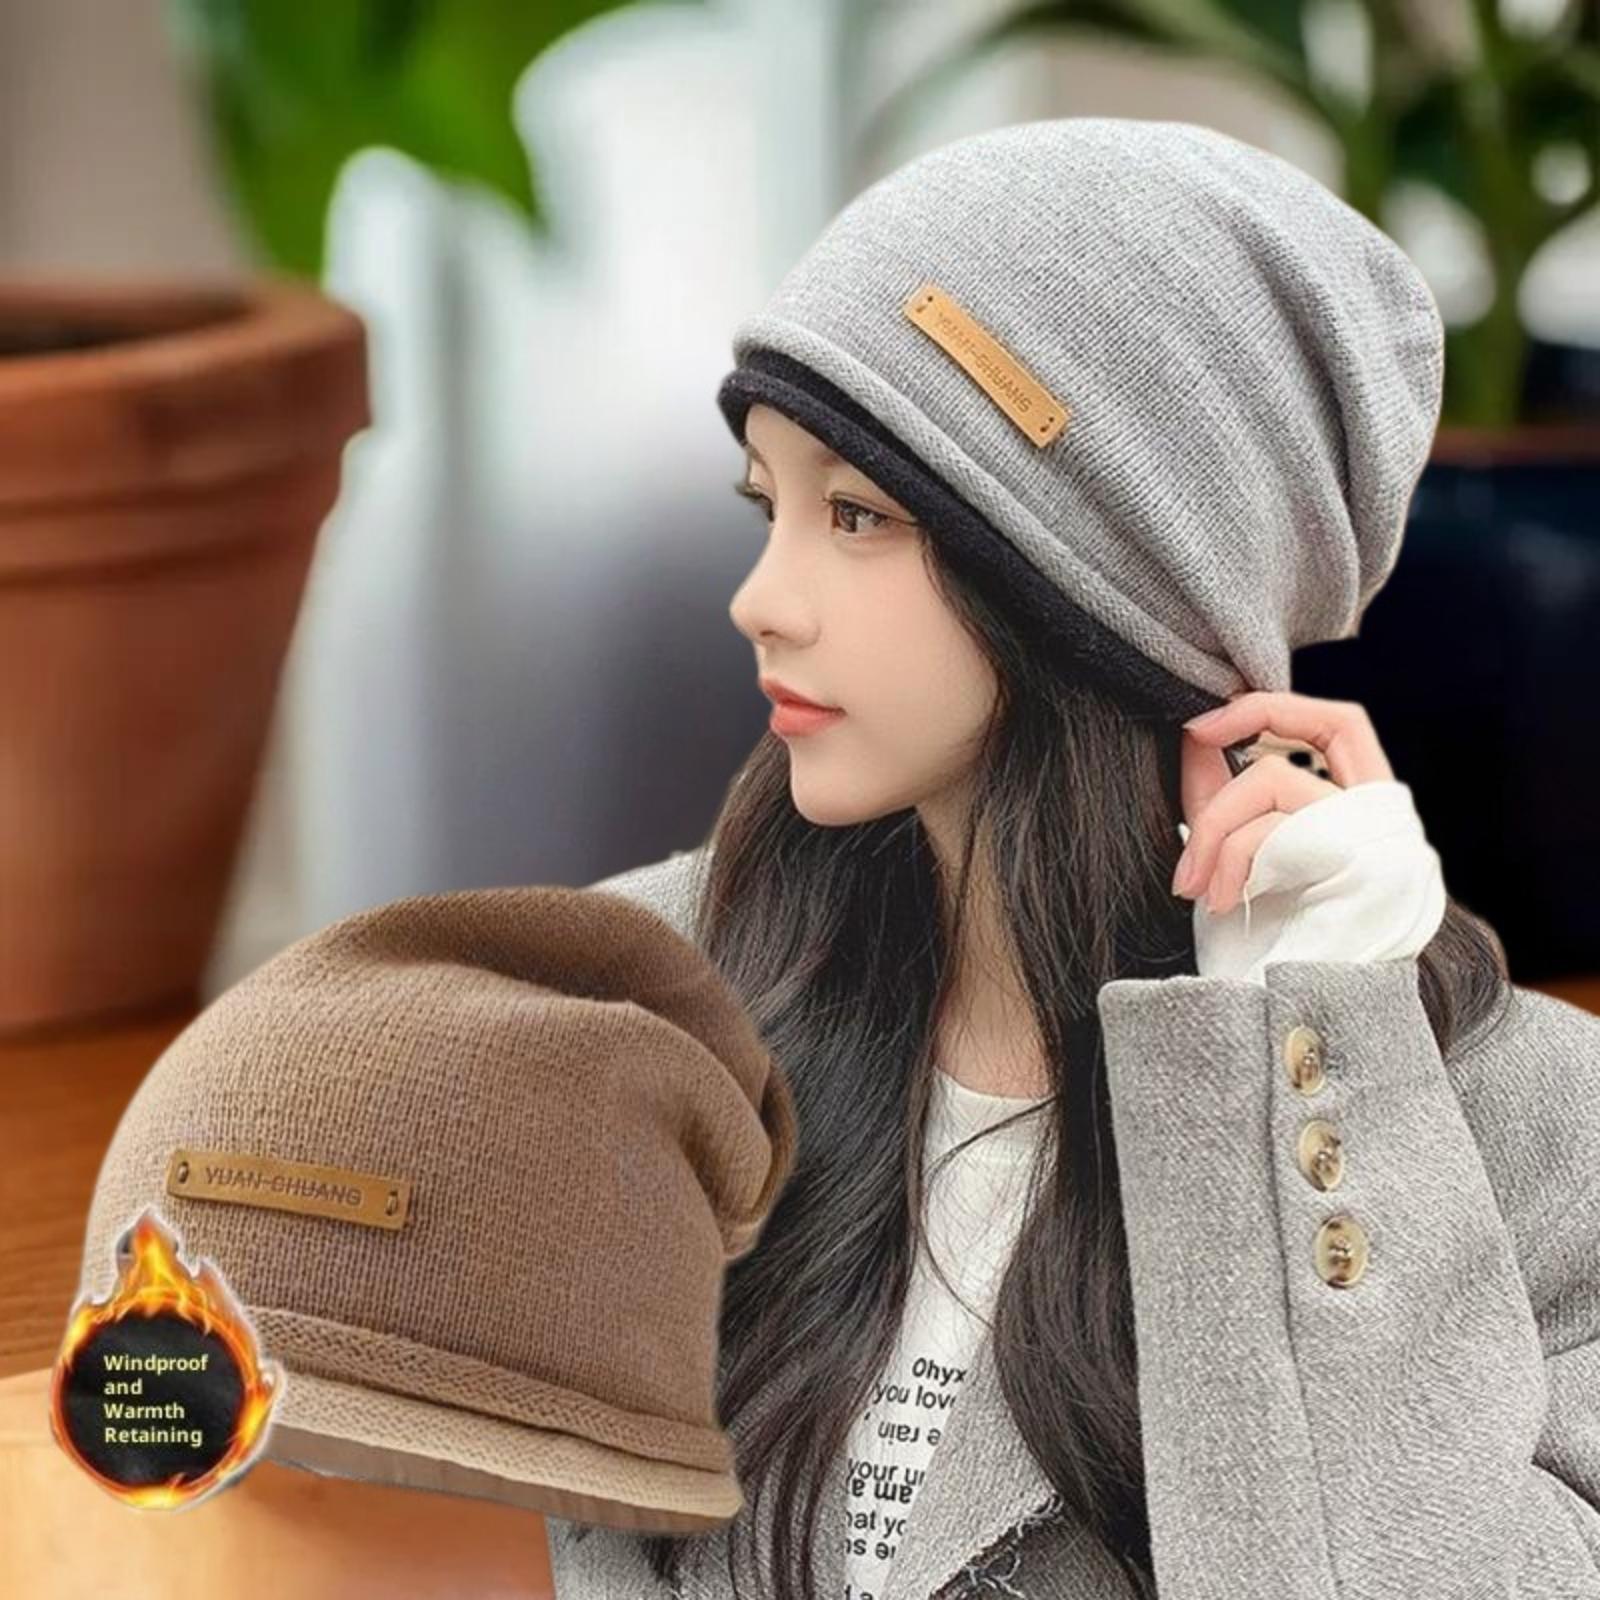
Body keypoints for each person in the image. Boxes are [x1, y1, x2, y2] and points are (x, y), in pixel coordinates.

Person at [550, 118, 1600, 1599]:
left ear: (1097, 585)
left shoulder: (1532, 1133)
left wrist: (1312, 1061)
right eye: (766, 504)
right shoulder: (651, 999)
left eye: (857, 514)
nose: (762, 599)